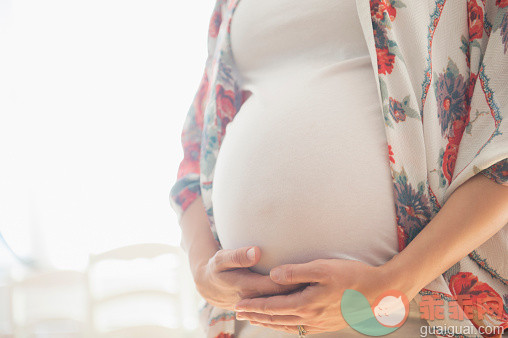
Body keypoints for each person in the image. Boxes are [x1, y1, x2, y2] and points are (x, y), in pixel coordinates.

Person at [171, 0, 508, 337]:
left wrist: (392, 286)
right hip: (254, 324)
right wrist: (202, 269)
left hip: (413, 315)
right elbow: (197, 149)